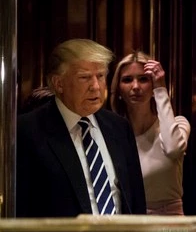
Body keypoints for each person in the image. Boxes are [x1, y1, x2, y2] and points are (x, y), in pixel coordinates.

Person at [16, 38, 146, 217]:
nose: (95, 87)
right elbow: (21, 208)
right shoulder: (27, 131)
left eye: (100, 76)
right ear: (58, 83)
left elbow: (136, 202)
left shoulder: (119, 127)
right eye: (84, 78)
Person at [110, 51, 190, 215]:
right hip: (129, 223)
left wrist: (160, 89)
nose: (136, 86)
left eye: (143, 79)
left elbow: (173, 149)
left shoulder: (178, 124)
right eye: (127, 80)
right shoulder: (111, 134)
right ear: (118, 88)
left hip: (170, 225)